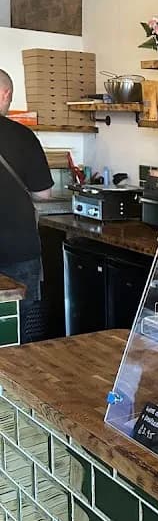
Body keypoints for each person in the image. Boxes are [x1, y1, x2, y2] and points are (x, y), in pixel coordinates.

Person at [0, 70, 53, 342]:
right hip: (18, 249)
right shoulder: (23, 136)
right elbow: (43, 194)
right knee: (19, 332)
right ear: (5, 93)